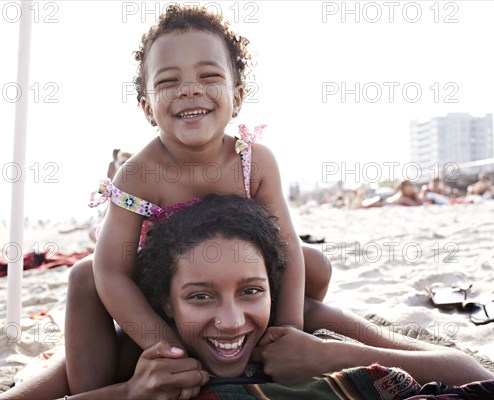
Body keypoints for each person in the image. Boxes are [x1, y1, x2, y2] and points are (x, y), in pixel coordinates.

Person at [0, 195, 494, 399]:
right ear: (165, 304)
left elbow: (476, 375)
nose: (232, 321)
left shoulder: (293, 332)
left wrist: (332, 353)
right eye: (200, 297)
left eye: (251, 291)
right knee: (84, 278)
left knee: (310, 265)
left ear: (270, 290)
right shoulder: (136, 352)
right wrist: (128, 393)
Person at [69, 4, 332, 394]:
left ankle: (254, 341)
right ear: (147, 108)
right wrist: (167, 346)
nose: (190, 89)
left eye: (208, 76)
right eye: (168, 82)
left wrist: (287, 330)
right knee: (83, 277)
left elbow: (286, 247)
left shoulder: (253, 160)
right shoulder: (138, 174)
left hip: (228, 284)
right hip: (166, 287)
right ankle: (95, 388)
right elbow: (111, 272)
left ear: (237, 96)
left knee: (314, 264)